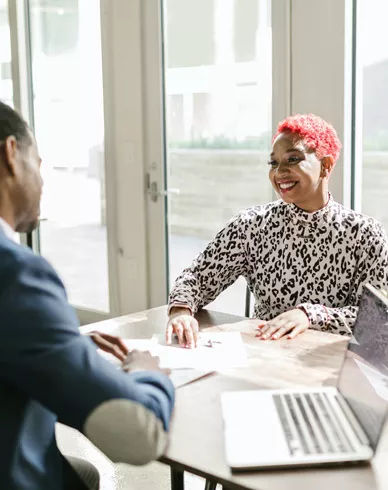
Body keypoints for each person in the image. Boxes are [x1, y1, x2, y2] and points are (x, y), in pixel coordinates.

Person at [0, 101, 175, 490]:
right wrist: (148, 372)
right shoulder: (16, 273)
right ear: (11, 154)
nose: (42, 182)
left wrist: (58, 345)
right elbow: (138, 433)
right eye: (39, 163)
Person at [166, 113, 388, 348]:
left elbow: (380, 320)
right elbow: (196, 278)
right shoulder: (251, 225)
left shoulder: (365, 234)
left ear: (326, 166)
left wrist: (310, 315)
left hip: (330, 366)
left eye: (293, 159)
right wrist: (181, 311)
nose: (279, 172)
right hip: (264, 358)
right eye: (273, 163)